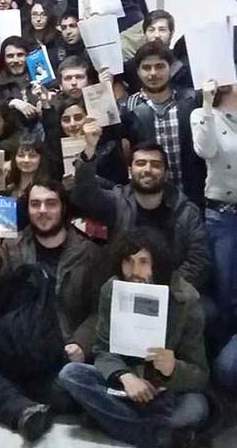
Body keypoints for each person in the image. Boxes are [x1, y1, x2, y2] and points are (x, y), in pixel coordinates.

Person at [0, 179, 104, 440]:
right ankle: (20, 408)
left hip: (58, 349)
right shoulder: (13, 245)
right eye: (35, 204)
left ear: (63, 208)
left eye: (50, 204)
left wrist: (81, 342)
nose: (42, 210)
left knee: (69, 391)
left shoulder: (88, 252)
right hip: (14, 340)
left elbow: (99, 310)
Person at [58, 228, 209, 447]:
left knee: (196, 407)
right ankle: (158, 437)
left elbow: (200, 375)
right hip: (124, 386)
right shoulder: (112, 290)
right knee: (71, 374)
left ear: (157, 264)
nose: (135, 271)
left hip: (165, 392)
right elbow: (102, 349)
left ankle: (114, 421)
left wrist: (173, 368)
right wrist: (125, 376)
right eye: (128, 262)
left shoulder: (186, 301)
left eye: (143, 262)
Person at [72, 118, 210, 291]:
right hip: (124, 287)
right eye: (140, 163)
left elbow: (199, 259)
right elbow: (84, 194)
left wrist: (168, 290)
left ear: (166, 174)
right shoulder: (116, 200)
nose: (147, 170)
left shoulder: (186, 211)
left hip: (172, 291)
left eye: (155, 165)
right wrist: (89, 150)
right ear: (130, 171)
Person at [122, 41, 206, 205]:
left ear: (171, 67)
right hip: (150, 197)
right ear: (138, 71)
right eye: (146, 68)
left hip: (193, 194)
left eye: (159, 66)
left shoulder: (192, 100)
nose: (153, 73)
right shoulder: (129, 108)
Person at [191, 79, 237, 363]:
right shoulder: (202, 114)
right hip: (222, 214)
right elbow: (204, 150)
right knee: (226, 291)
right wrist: (207, 103)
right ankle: (224, 360)